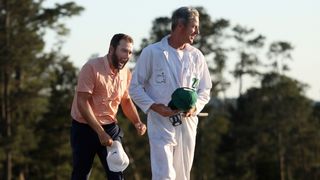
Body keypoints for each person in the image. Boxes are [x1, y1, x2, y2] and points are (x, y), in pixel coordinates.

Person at [129, 6, 212, 180]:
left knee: (183, 174)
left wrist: (195, 107)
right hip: (161, 121)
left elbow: (205, 89)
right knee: (164, 174)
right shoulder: (152, 52)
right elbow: (135, 87)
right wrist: (154, 106)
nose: (197, 31)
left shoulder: (196, 56)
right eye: (194, 26)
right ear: (180, 25)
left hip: (187, 122)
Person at [70, 33, 147, 180]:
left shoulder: (126, 72)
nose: (127, 55)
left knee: (117, 174)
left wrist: (137, 122)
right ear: (111, 49)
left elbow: (125, 100)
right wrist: (100, 132)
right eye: (124, 50)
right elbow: (82, 102)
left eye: (130, 52)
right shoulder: (91, 67)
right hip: (84, 129)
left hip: (110, 128)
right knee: (81, 174)